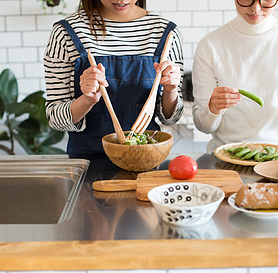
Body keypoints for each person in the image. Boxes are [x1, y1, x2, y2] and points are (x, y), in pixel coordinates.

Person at [44, 0, 184, 157]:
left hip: (146, 159)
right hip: (89, 162)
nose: (121, 0)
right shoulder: (65, 33)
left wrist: (171, 90)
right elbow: (55, 118)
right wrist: (86, 100)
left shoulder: (166, 33)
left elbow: (171, 119)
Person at [192, 0, 278, 154]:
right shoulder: (209, 44)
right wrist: (213, 109)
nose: (255, 8)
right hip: (226, 159)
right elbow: (203, 126)